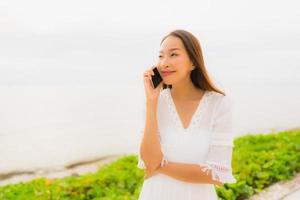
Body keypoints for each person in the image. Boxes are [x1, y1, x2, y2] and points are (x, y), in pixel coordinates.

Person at [137, 29, 237, 200]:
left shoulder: (218, 103)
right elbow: (149, 160)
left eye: (173, 54)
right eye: (161, 56)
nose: (164, 63)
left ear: (193, 62)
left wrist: (160, 168)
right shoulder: (154, 103)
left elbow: (216, 174)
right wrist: (151, 103)